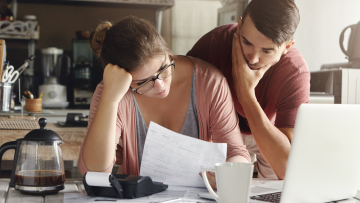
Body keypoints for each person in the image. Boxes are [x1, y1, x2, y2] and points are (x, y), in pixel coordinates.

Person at [77, 16, 251, 177]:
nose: (160, 85)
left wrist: (225, 176)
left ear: (167, 51)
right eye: (143, 82)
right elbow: (93, 173)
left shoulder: (209, 82)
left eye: (163, 68)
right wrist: (110, 99)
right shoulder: (111, 92)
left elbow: (236, 153)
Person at [187, 0, 310, 179]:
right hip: (219, 129)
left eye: (267, 51)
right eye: (246, 42)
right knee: (210, 185)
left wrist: (246, 94)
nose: (252, 58)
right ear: (239, 26)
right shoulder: (214, 43)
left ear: (287, 47)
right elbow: (182, 98)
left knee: (277, 188)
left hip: (267, 129)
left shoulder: (294, 72)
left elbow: (286, 168)